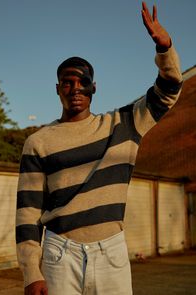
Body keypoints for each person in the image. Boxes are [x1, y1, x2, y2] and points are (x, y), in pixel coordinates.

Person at [16, 2, 183, 294]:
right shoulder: (38, 142)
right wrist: (31, 271)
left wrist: (165, 47)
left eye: (84, 81)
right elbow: (27, 213)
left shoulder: (123, 124)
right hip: (59, 253)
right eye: (67, 82)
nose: (76, 88)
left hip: (111, 253)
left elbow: (169, 89)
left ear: (95, 87)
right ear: (57, 89)